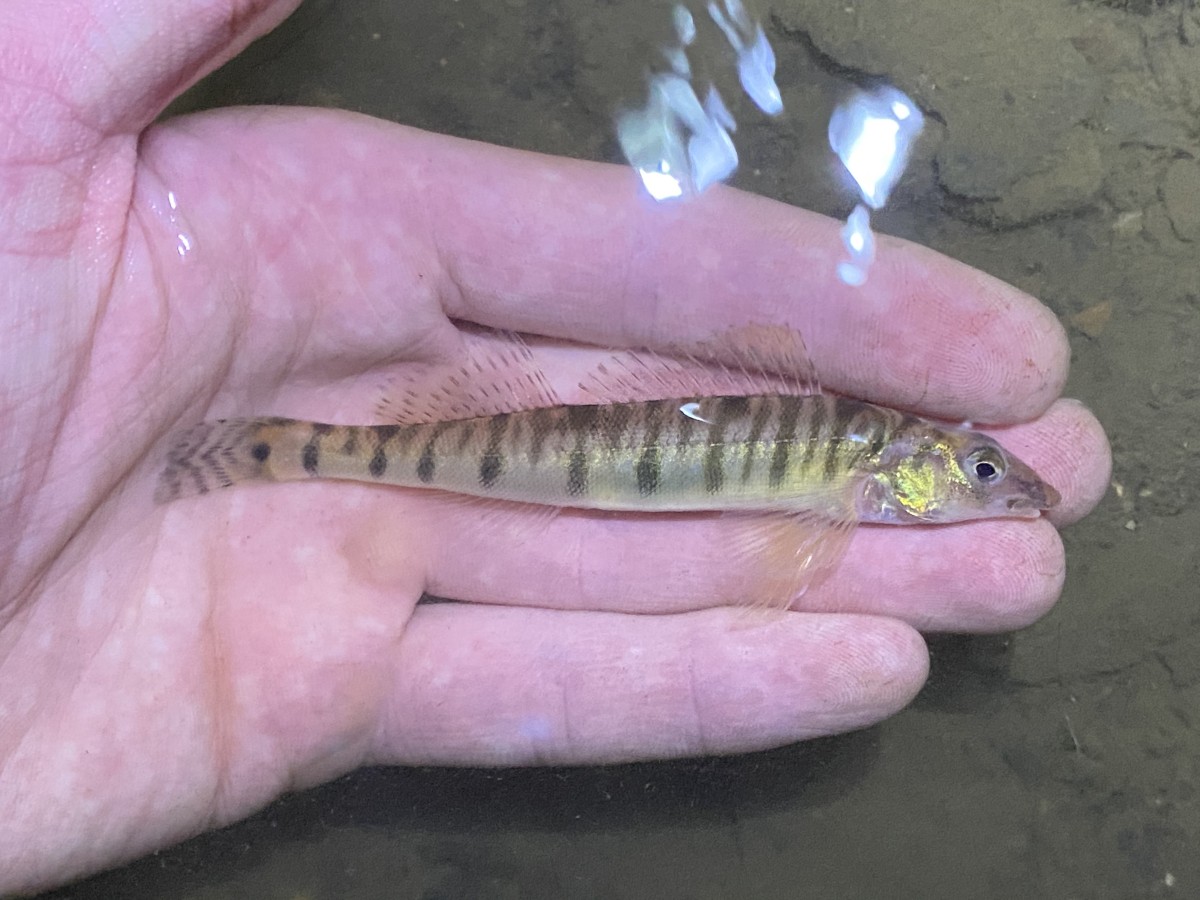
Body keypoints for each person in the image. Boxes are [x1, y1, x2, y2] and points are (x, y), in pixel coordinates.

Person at [0, 0, 1109, 893]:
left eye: (986, 475)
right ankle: (282, 450)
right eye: (978, 472)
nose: (996, 484)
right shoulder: (852, 477)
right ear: (910, 466)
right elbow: (788, 544)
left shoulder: (865, 477)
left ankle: (282, 450)